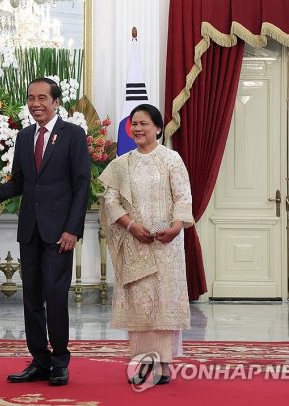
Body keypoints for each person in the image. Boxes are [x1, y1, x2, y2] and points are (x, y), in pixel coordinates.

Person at [0, 77, 90, 386]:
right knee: (31, 299)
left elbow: (82, 185)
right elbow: (20, 182)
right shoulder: (24, 137)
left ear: (56, 102)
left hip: (60, 233)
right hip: (30, 229)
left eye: (43, 98)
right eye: (31, 98)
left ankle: (60, 361)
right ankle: (39, 360)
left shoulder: (73, 134)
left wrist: (72, 229)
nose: (36, 104)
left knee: (56, 297)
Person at [98, 103, 193, 386]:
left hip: (166, 245)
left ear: (158, 128)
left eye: (144, 124)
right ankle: (141, 362)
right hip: (134, 243)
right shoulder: (121, 164)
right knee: (139, 305)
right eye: (134, 124)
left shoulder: (171, 159)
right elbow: (110, 201)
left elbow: (183, 197)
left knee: (163, 303)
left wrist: (175, 228)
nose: (137, 129)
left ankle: (164, 364)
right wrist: (131, 226)